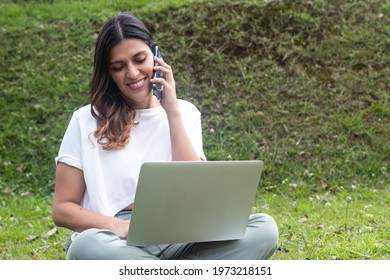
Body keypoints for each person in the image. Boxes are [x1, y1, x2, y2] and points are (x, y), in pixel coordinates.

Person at [52, 12, 278, 260]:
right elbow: (63, 209)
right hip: (115, 241)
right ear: (109, 73)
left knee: (264, 229)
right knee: (87, 245)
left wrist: (172, 112)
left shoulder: (185, 112)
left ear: (156, 56)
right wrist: (120, 227)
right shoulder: (86, 119)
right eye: (119, 67)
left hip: (180, 237)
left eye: (140, 60)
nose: (133, 73)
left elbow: (196, 190)